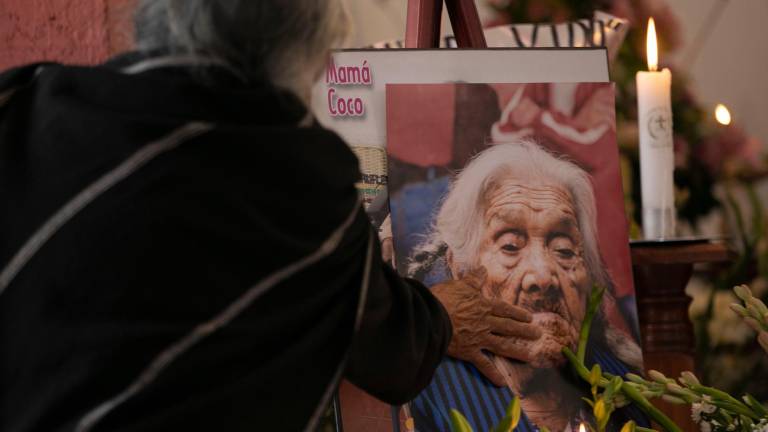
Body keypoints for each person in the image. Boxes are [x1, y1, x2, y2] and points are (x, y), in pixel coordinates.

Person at [0, 1, 540, 431]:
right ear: (306, 46)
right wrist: (439, 320)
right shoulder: (301, 181)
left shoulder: (22, 103)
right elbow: (389, 346)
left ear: (149, 15)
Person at [407, 141, 646, 432]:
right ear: (459, 268)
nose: (542, 276)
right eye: (510, 246)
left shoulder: (630, 390)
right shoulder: (422, 391)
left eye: (564, 249)